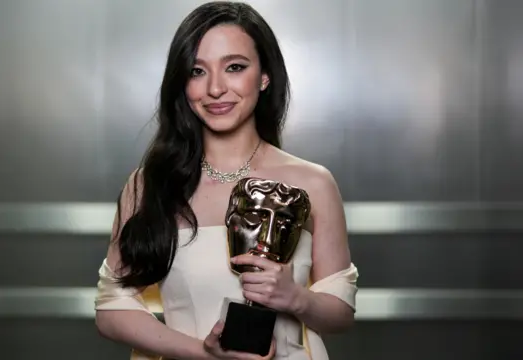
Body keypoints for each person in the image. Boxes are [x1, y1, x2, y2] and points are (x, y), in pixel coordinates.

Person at [94, 2, 359, 359]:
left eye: (234, 67)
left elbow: (340, 314)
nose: (216, 88)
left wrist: (296, 297)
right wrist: (206, 354)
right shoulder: (150, 185)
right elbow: (112, 307)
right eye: (197, 71)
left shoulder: (313, 183)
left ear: (264, 75)